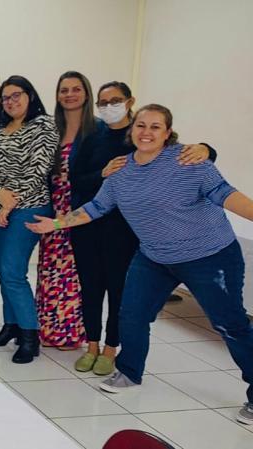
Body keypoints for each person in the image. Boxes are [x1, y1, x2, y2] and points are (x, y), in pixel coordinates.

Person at [26, 103, 253, 426]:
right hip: (155, 257)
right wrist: (56, 223)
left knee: (231, 324)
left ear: (167, 133)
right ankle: (129, 372)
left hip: (209, 256)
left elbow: (227, 195)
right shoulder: (122, 171)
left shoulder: (189, 161)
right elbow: (96, 207)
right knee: (131, 315)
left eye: (155, 127)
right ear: (132, 130)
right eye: (141, 126)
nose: (146, 132)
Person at [68, 81, 215, 375]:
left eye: (115, 101)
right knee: (91, 289)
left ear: (130, 101)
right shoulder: (90, 136)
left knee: (119, 291)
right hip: (88, 226)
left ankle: (111, 349)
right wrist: (102, 173)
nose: (109, 107)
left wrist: (206, 149)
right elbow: (76, 179)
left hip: (126, 230)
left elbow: (188, 155)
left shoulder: (142, 137)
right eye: (103, 103)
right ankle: (92, 345)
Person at [0, 75, 57, 364]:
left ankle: (29, 336)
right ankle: (10, 325)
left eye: (16, 95)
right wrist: (0, 192)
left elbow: (39, 168)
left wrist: (11, 202)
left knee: (13, 271)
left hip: (30, 207)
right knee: (3, 270)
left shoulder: (44, 125)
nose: (10, 101)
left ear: (29, 95)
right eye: (5, 97)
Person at [35, 72, 91, 350]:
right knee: (50, 269)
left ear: (86, 93)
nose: (69, 95)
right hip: (52, 210)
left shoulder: (97, 131)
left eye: (75, 89)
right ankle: (48, 330)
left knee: (72, 273)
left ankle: (70, 334)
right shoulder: (51, 129)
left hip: (81, 212)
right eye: (64, 90)